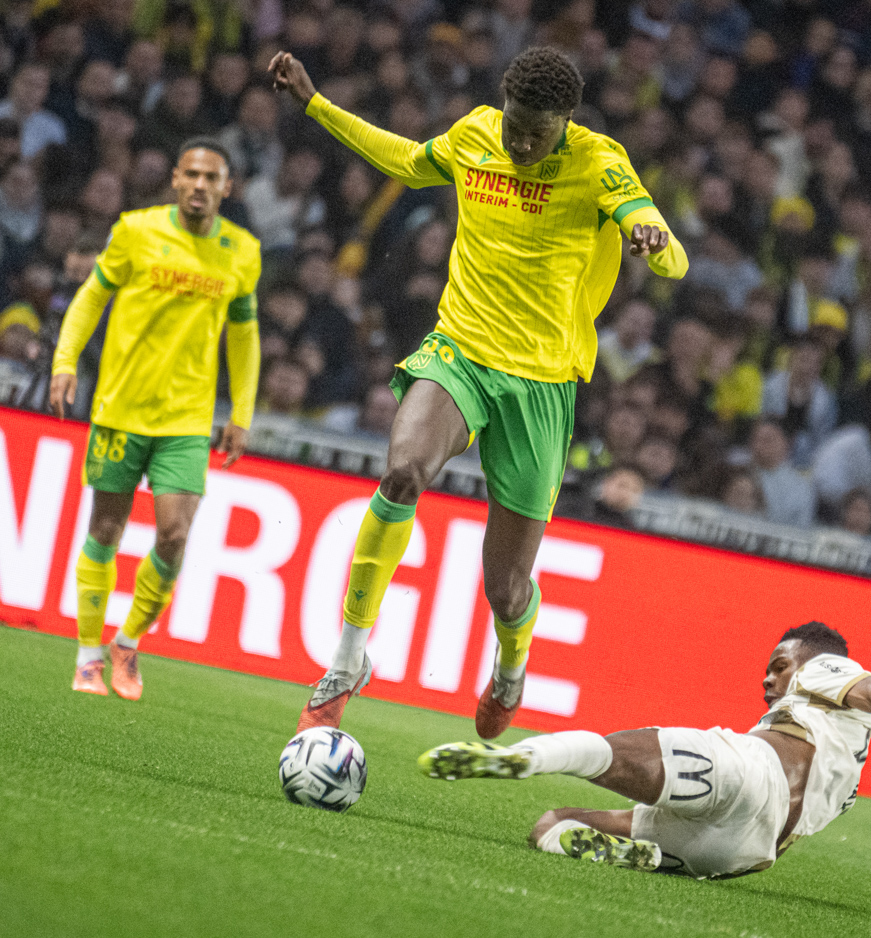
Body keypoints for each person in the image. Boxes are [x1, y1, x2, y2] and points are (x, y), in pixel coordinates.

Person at [269, 46, 688, 739]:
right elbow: (407, 160)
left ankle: (511, 665)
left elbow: (673, 258)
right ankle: (346, 661)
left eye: (538, 134)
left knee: (507, 589)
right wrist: (316, 105)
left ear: (566, 122)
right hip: (460, 350)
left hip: (541, 383)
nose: (521, 144)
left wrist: (655, 238)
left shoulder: (599, 162)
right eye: (516, 126)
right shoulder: (475, 133)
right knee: (402, 473)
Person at [418, 621, 871, 878]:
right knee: (552, 824)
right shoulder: (848, 768)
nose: (769, 679)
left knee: (611, 753)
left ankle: (524, 759)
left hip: (751, 773)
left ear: (813, 662)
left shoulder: (825, 666)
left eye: (779, 666)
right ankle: (643, 856)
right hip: (740, 855)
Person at [49, 137, 261, 700]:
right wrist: (65, 361)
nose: (199, 185)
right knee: (105, 530)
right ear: (175, 179)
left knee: (174, 534)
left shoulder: (242, 251)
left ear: (227, 188)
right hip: (121, 408)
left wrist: (241, 411)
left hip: (186, 420)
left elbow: (244, 335)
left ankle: (128, 643)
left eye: (211, 178)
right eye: (191, 174)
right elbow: (91, 297)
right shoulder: (134, 231)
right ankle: (88, 656)